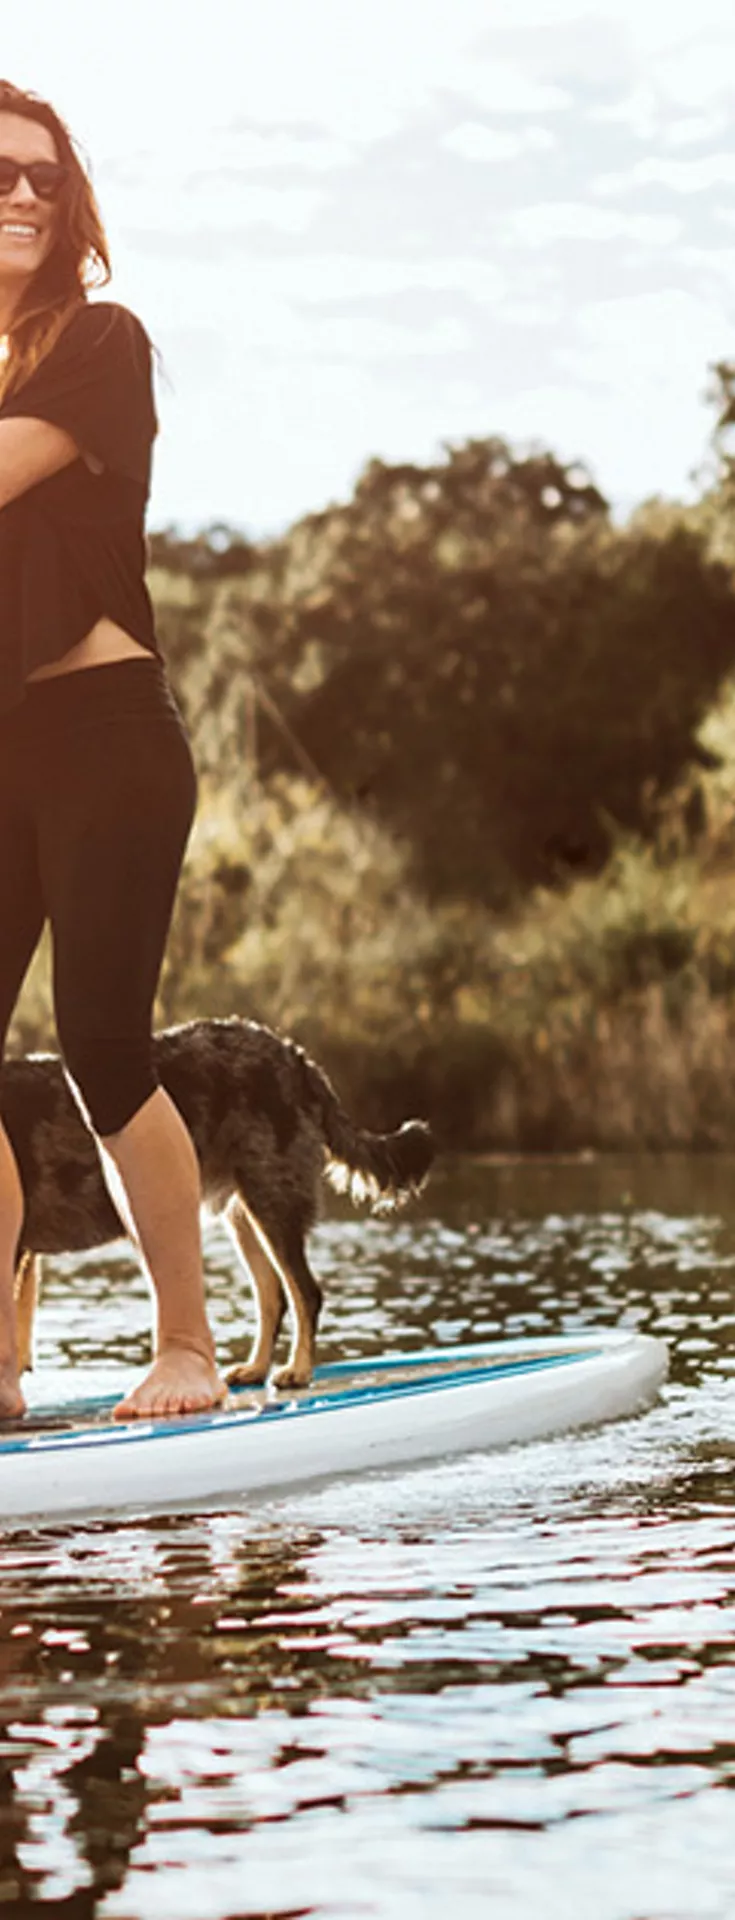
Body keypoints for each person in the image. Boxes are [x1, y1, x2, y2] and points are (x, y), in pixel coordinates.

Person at [0, 80, 227, 1421]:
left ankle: (187, 1346)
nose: (25, 193)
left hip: (107, 741)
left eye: (46, 176)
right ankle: (0, 1369)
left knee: (101, 1050)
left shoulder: (98, 340)